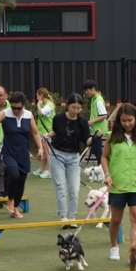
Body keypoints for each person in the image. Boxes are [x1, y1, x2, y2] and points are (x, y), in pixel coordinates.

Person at [0, 91, 43, 218]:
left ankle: (15, 208)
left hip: (23, 153)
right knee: (14, 175)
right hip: (8, 152)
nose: (16, 110)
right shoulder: (5, 113)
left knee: (21, 181)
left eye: (18, 108)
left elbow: (36, 133)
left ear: (23, 106)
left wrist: (40, 149)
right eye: (13, 107)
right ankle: (10, 201)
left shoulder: (28, 115)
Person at [101, 103, 136, 261]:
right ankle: (114, 246)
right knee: (116, 219)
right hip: (118, 184)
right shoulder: (112, 136)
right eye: (123, 121)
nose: (127, 124)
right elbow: (104, 157)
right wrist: (107, 175)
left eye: (130, 120)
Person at [42, 93, 93, 222]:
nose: (75, 111)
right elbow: (57, 131)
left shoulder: (82, 122)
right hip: (57, 154)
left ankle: (72, 216)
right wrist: (49, 135)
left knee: (74, 189)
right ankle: (64, 216)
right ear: (67, 105)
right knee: (60, 187)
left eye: (78, 108)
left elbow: (86, 140)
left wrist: (94, 139)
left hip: (74, 157)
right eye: (73, 107)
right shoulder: (58, 118)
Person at [83, 80, 108, 165]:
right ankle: (100, 170)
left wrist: (91, 121)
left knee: (98, 152)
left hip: (98, 130)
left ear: (93, 89)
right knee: (96, 151)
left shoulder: (98, 100)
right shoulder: (94, 99)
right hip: (95, 129)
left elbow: (104, 115)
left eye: (87, 90)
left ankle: (102, 170)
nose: (86, 92)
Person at [33, 87, 56, 179]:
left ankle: (50, 171)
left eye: (37, 96)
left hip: (48, 132)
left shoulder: (49, 105)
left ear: (41, 95)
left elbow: (42, 113)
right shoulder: (45, 104)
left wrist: (38, 105)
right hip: (42, 131)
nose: (37, 98)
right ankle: (42, 169)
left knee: (48, 151)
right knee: (44, 151)